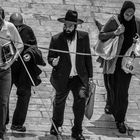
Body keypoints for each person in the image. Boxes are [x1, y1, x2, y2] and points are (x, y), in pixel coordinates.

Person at [47, 10, 93, 140]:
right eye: (65, 26)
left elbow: (88, 57)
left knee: (80, 101)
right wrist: (53, 62)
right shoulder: (56, 39)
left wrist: (90, 76)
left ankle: (77, 130)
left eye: (70, 26)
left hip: (79, 77)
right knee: (59, 102)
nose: (67, 28)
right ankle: (55, 126)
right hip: (62, 76)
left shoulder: (84, 37)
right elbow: (50, 56)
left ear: (75, 26)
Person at [98, 1, 140, 133]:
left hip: (127, 64)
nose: (129, 15)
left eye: (131, 13)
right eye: (127, 13)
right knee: (111, 87)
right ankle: (110, 103)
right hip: (112, 61)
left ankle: (120, 120)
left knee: (122, 92)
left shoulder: (137, 23)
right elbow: (101, 36)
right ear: (122, 12)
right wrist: (115, 33)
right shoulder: (114, 20)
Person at [6, 12, 46, 132]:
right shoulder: (5, 29)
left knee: (25, 94)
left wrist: (29, 54)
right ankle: (3, 121)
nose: (17, 29)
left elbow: (34, 47)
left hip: (23, 68)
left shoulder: (27, 31)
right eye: (15, 26)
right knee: (4, 95)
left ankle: (17, 123)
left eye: (19, 26)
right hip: (8, 67)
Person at [0, 7, 23, 140]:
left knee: (3, 101)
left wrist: (10, 63)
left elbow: (20, 45)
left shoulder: (9, 27)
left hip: (4, 70)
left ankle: (1, 130)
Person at [94, 19, 112, 114]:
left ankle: (111, 104)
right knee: (108, 83)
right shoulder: (108, 33)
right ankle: (109, 103)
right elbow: (102, 32)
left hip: (116, 61)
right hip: (107, 60)